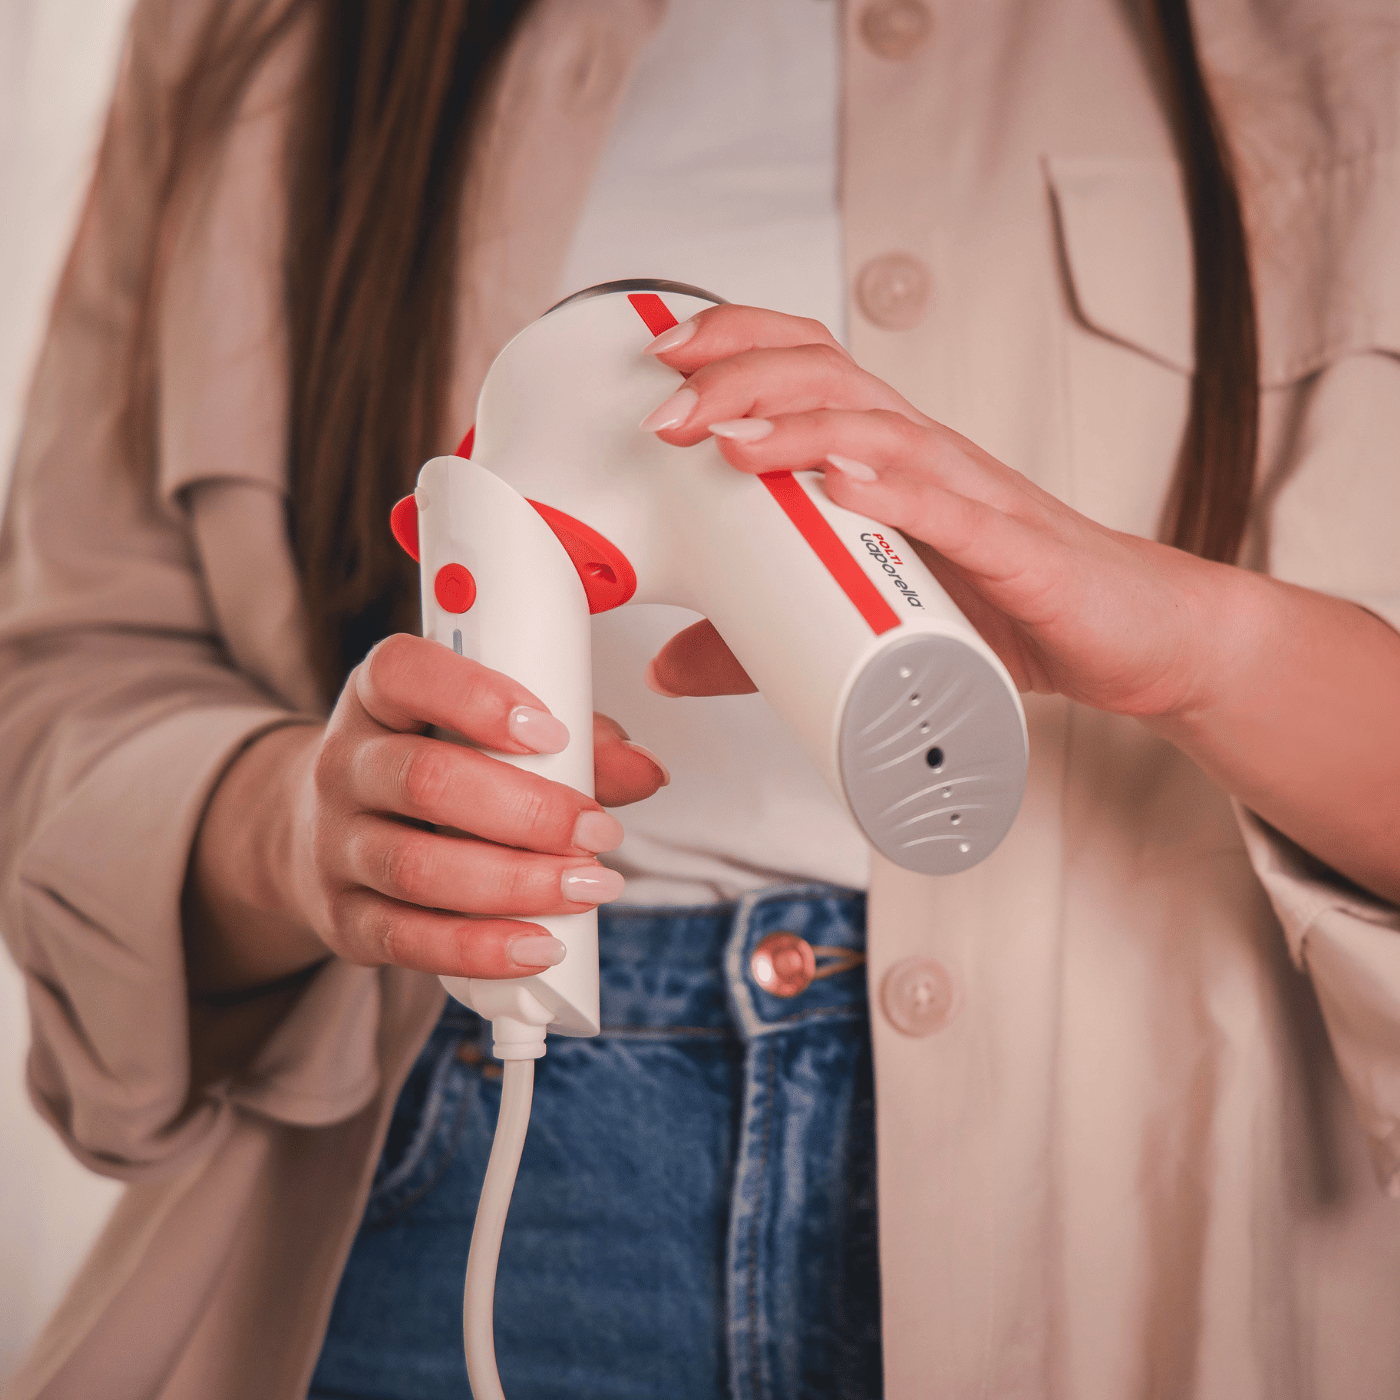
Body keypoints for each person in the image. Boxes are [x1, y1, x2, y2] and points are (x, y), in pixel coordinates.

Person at [2, 0, 1399, 1397]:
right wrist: (305, 830)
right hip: (455, 1159)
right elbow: (68, 675)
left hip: (1139, 1207)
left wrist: (1195, 645)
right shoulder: (273, 34)